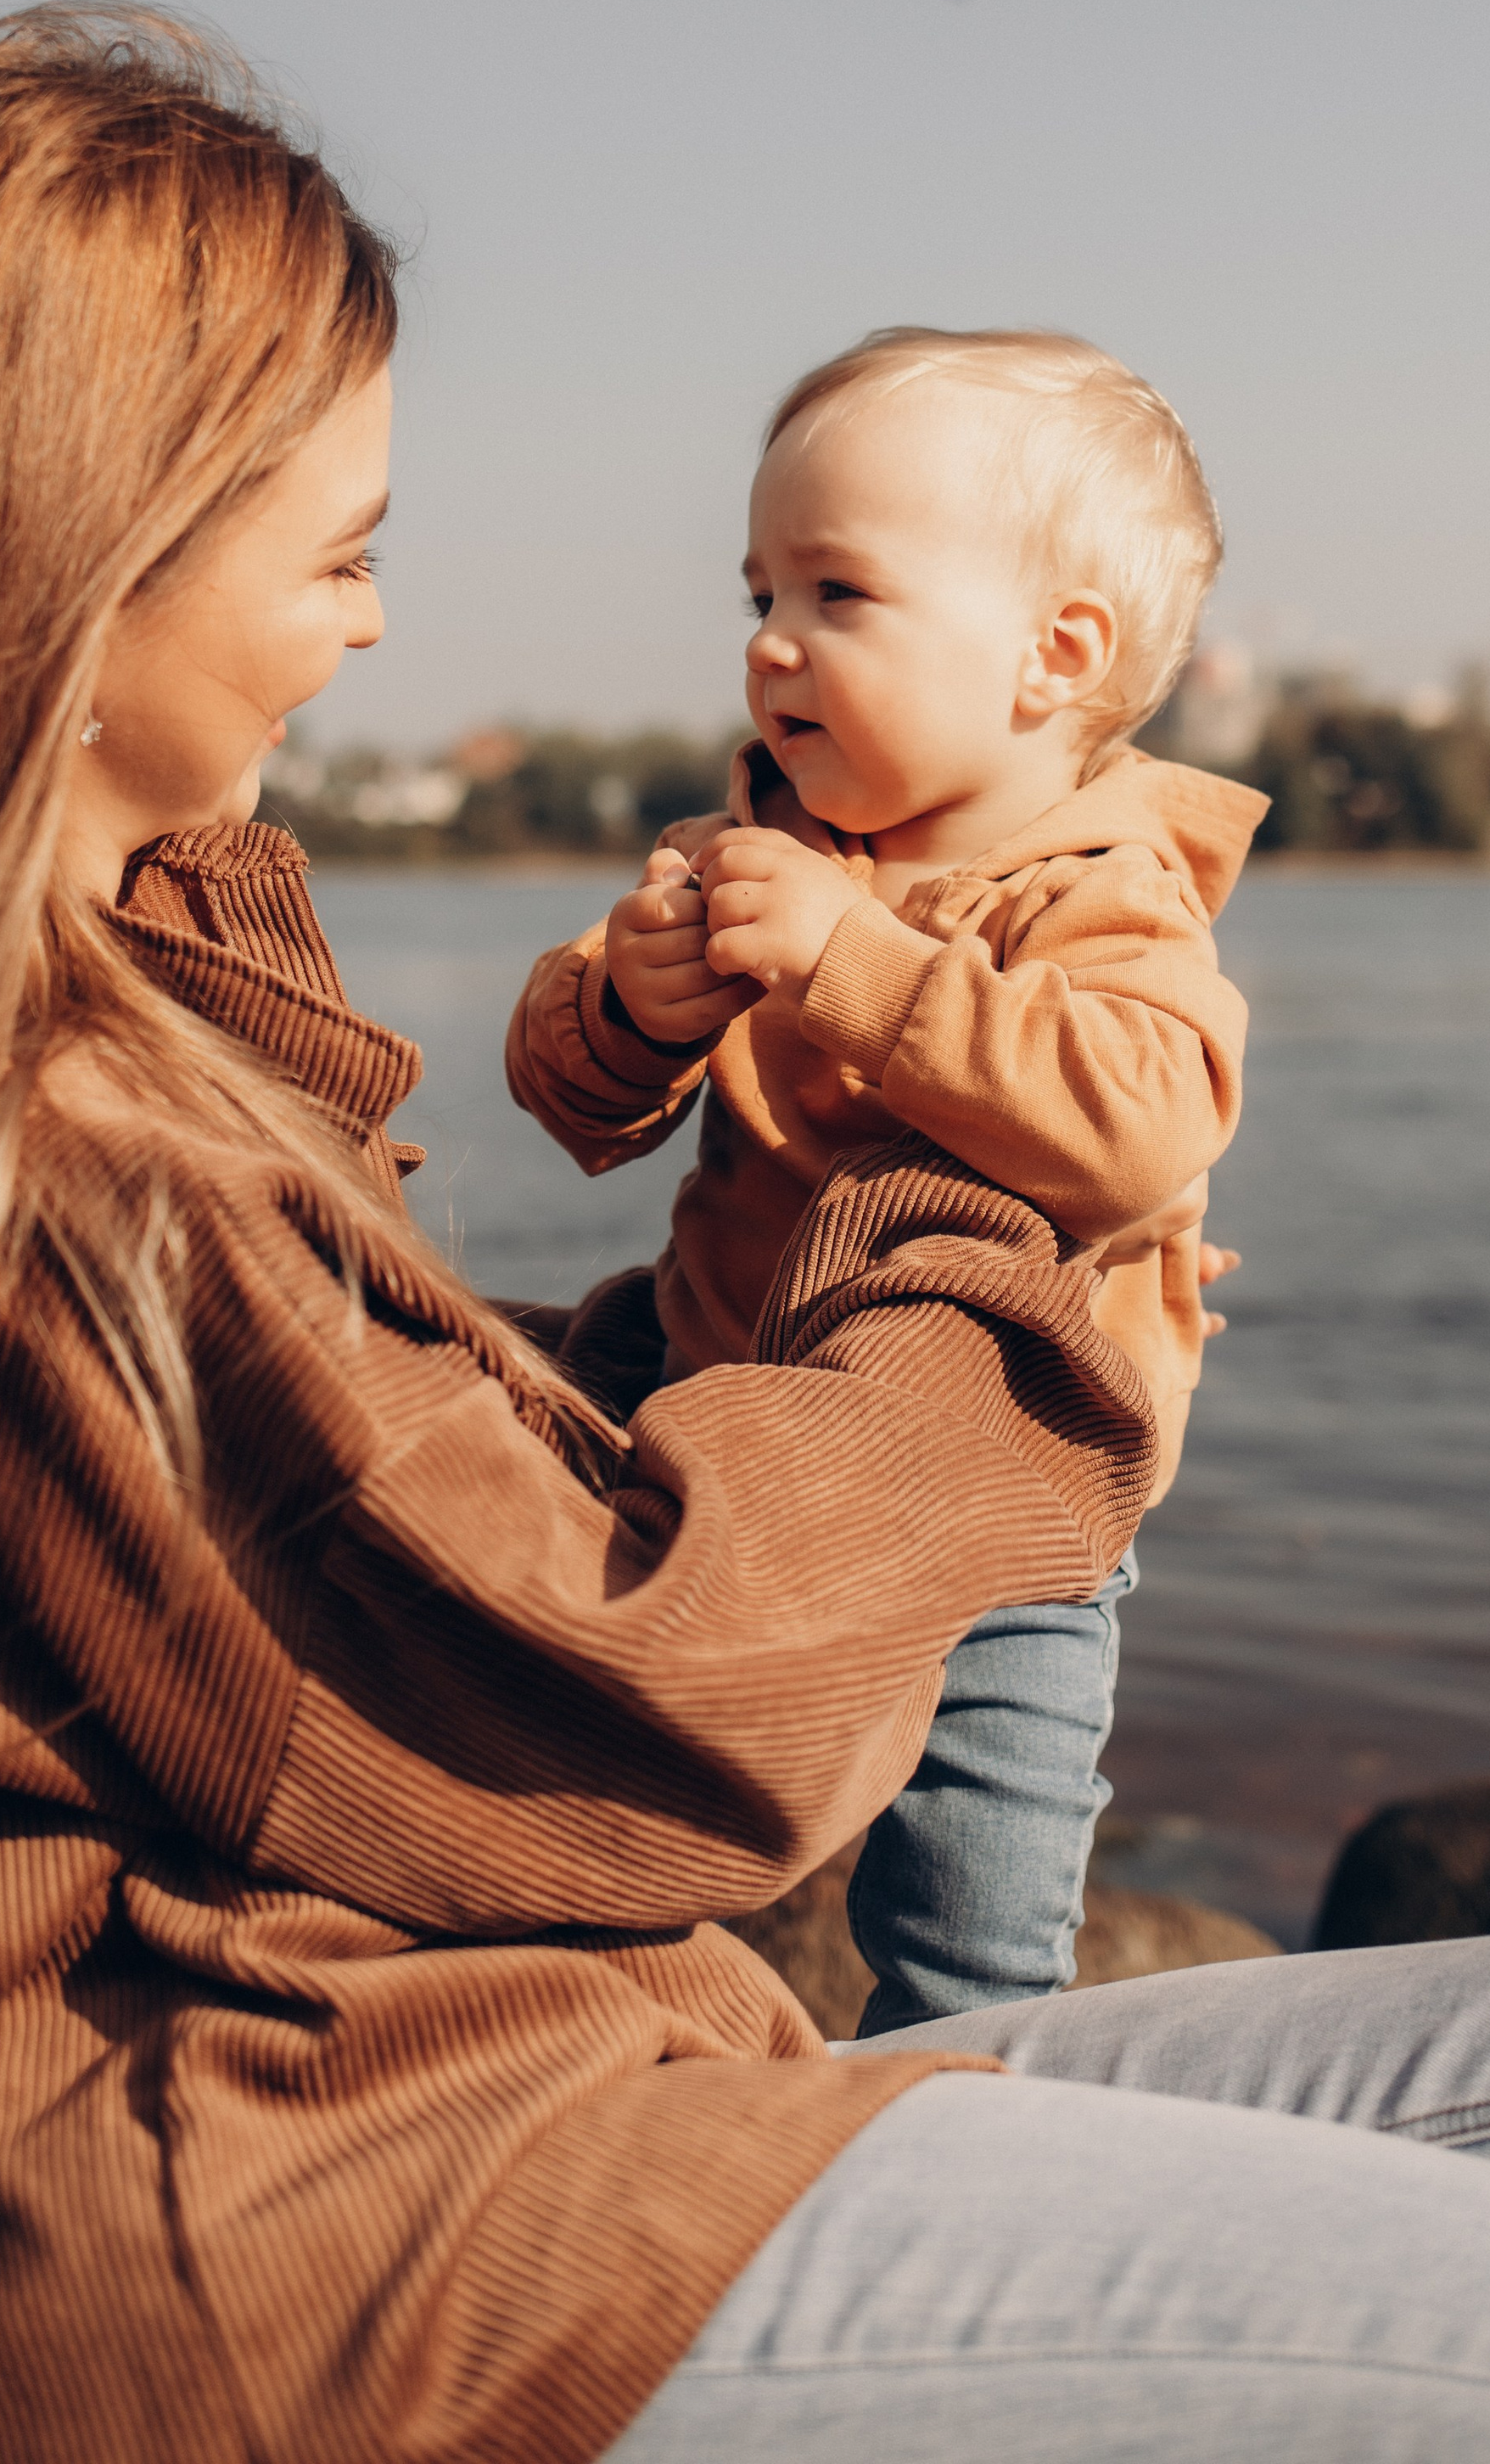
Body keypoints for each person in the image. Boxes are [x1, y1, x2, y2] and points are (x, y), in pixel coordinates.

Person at [0, 5, 1490, 2464]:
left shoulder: (23, 1044)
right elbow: (656, 1699)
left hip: (458, 2086)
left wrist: (757, 1279)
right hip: (274, 2214)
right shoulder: (30, 1129)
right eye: (343, 552)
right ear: (79, 551)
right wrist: (995, 1267)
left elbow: (362, 1540)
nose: (371, 629)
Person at [507, 331, 1266, 2023]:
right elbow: (564, 1100)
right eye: (757, 591)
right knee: (596, 1753)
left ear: (1045, 658)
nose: (770, 643)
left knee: (975, 1879)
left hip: (1002, 1490)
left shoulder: (1101, 892)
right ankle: (587, 2009)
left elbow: (1145, 1120)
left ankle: (973, 2069)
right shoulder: (742, 857)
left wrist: (856, 960)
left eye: (837, 593)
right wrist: (626, 1006)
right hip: (732, 1434)